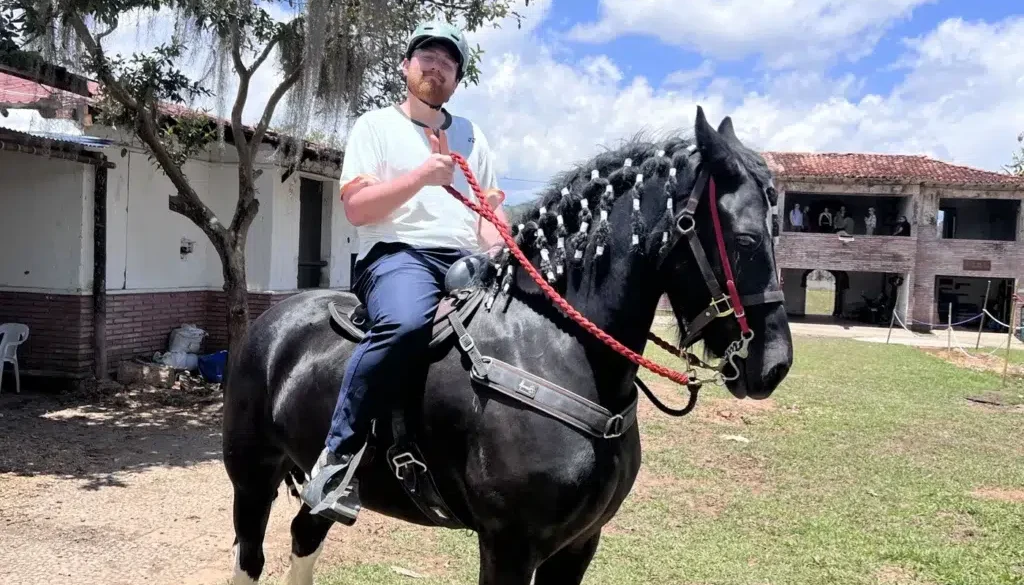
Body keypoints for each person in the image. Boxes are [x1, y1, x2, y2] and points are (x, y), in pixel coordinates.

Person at [300, 20, 508, 525]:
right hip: (398, 256)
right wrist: (422, 176)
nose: (437, 68)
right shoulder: (375, 126)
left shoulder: (472, 136)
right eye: (427, 58)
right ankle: (338, 460)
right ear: (406, 67)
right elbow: (357, 209)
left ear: (457, 79)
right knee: (406, 324)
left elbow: (488, 215)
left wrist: (502, 248)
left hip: (465, 259)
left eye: (448, 63)